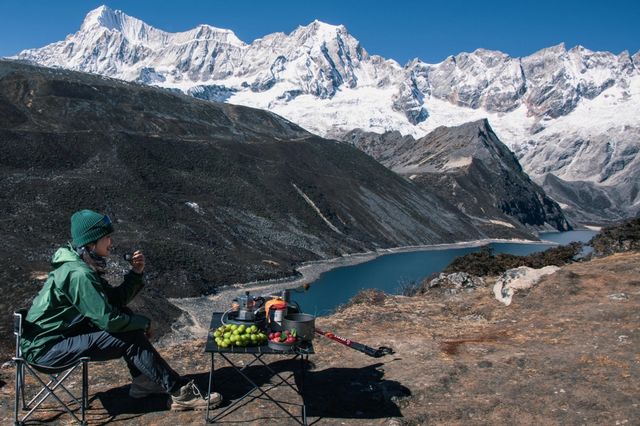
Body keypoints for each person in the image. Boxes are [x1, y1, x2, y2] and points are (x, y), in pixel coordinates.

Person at [20, 209, 221, 410]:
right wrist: (144, 323)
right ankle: (180, 392)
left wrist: (136, 273)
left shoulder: (78, 264)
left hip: (53, 338)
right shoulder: (79, 274)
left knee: (127, 318)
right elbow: (108, 320)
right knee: (130, 335)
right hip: (46, 350)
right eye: (107, 237)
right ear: (91, 242)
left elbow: (115, 301)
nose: (111, 242)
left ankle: (144, 382)